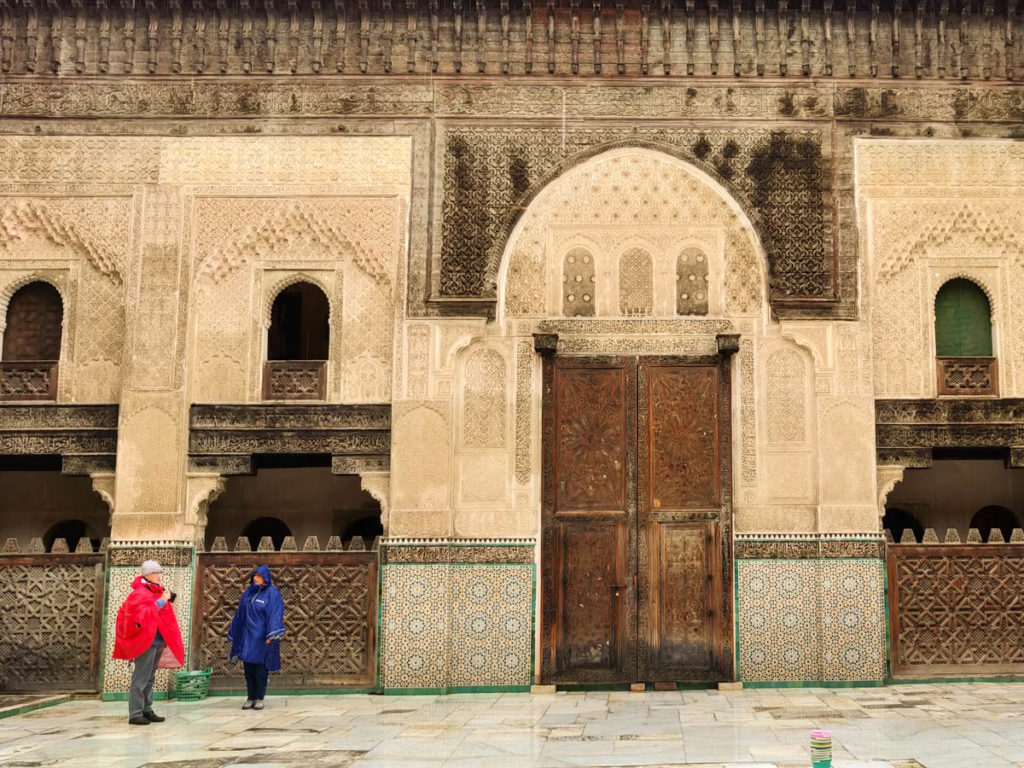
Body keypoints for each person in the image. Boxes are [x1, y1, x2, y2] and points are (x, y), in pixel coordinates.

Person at [112, 560, 185, 726]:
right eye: (157, 573)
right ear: (148, 575)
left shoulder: (155, 591)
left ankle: (147, 709)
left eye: (160, 572)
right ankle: (135, 713)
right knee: (141, 677)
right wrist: (161, 601)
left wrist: (164, 598)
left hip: (158, 640)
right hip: (145, 642)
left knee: (150, 677)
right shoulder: (139, 593)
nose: (160, 576)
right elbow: (141, 615)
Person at [228, 565, 285, 710]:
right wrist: (236, 631)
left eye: (259, 576)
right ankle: (250, 697)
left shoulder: (272, 593)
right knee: (248, 669)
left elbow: (275, 613)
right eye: (254, 576)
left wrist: (271, 634)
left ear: (265, 578)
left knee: (260, 669)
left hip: (261, 638)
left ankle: (259, 697)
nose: (255, 579)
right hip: (247, 638)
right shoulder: (248, 593)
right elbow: (240, 613)